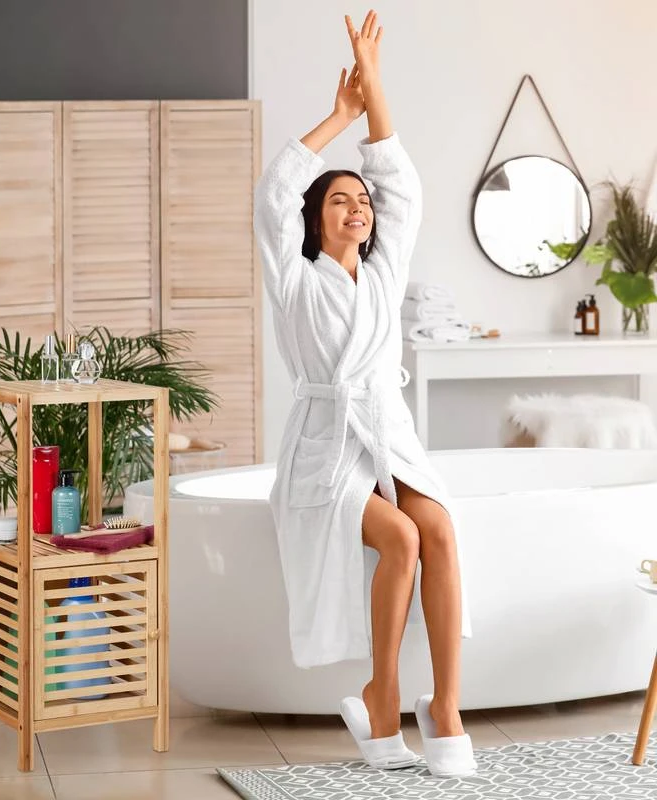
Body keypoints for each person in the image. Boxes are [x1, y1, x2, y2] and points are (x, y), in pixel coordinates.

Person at [253, 10, 477, 778]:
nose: (359, 206)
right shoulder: (292, 281)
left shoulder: (383, 278)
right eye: (340, 200)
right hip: (326, 447)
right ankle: (383, 697)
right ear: (315, 221)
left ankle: (443, 705)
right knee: (403, 538)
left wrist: (376, 87)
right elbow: (271, 194)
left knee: (440, 530)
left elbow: (401, 184)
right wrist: (340, 115)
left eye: (362, 202)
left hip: (388, 432)